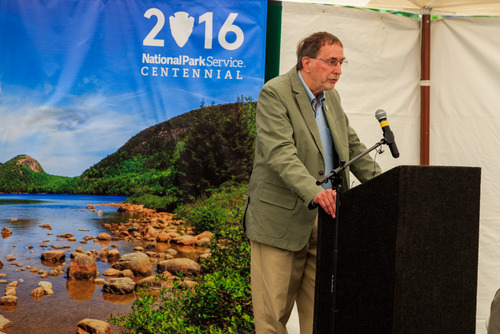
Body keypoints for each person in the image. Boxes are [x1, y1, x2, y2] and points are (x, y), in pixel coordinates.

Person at [243, 31, 382, 333]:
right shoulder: (275, 93)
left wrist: (388, 187)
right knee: (272, 320)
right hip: (279, 223)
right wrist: (315, 192)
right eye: (332, 62)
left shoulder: (332, 97)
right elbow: (281, 154)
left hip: (327, 223)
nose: (339, 70)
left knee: (321, 318)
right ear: (307, 62)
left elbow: (352, 146)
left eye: (341, 63)